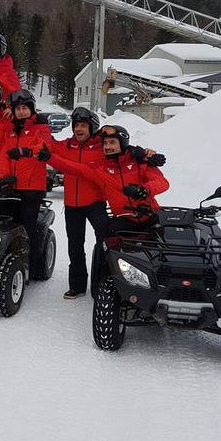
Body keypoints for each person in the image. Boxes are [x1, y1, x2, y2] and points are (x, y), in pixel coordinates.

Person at [50, 109, 166, 299]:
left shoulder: (100, 146)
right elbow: (62, 159)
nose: (79, 129)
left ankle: (102, 284)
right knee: (75, 246)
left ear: (92, 127)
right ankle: (77, 286)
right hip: (72, 204)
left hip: (95, 203)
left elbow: (124, 149)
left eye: (83, 125)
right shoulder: (67, 146)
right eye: (76, 125)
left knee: (105, 244)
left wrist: (143, 153)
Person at [49, 123, 170, 238]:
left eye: (112, 142)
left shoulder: (140, 162)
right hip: (124, 219)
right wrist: (49, 158)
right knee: (106, 242)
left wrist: (144, 190)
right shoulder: (100, 169)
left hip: (150, 217)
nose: (107, 147)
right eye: (105, 143)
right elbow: (73, 167)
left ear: (122, 143)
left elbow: (162, 182)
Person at [0, 90, 53, 268]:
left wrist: (26, 151)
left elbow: (44, 147)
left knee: (28, 227)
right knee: (9, 226)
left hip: (32, 187)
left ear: (31, 109)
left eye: (25, 108)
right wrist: (6, 176)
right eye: (18, 108)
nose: (21, 111)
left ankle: (32, 265)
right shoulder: (11, 131)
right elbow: (3, 155)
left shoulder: (41, 127)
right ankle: (10, 262)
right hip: (13, 186)